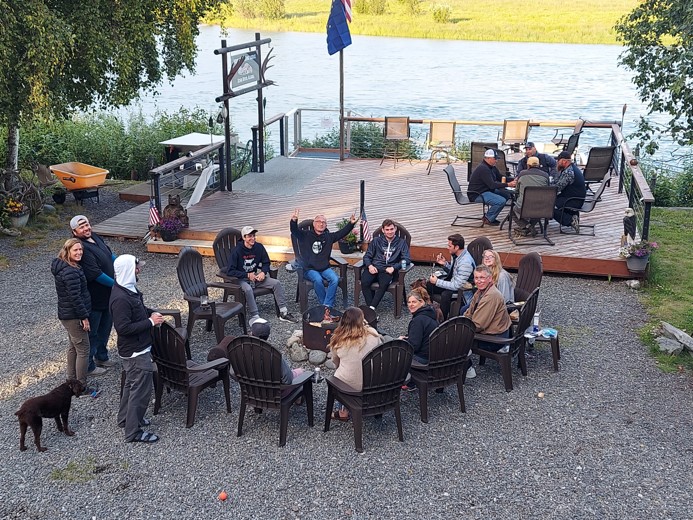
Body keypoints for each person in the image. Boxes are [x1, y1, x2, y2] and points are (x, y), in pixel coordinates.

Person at [110, 255, 165, 444]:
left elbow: (139, 308)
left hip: (137, 349)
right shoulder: (121, 299)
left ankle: (125, 419)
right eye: (136, 268)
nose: (139, 270)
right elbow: (123, 328)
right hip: (135, 352)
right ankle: (133, 432)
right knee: (140, 391)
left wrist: (150, 313)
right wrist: (150, 322)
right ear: (127, 270)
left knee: (131, 386)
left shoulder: (128, 288)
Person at [71, 215, 115, 376]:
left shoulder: (95, 237)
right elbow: (95, 274)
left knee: (106, 327)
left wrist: (123, 261)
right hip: (94, 298)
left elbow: (109, 254)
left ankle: (102, 357)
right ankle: (88, 365)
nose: (86, 229)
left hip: (108, 296)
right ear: (75, 232)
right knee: (93, 332)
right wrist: (117, 285)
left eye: (87, 225)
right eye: (81, 227)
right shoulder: (82, 247)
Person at [227, 225, 297, 325]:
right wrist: (246, 275)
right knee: (248, 289)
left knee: (276, 283)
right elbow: (230, 271)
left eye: (254, 235)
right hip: (240, 279)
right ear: (244, 238)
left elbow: (266, 262)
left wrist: (263, 272)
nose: (253, 238)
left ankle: (283, 312)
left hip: (255, 277)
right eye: (249, 236)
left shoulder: (259, 247)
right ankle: (255, 316)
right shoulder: (237, 251)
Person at [289, 208, 357, 307]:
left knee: (334, 279)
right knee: (317, 279)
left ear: (326, 225)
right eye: (318, 222)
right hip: (309, 269)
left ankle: (326, 306)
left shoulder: (328, 237)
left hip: (325, 268)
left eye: (323, 222)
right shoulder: (305, 235)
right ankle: (326, 306)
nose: (321, 224)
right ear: (314, 224)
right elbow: (294, 231)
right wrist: (294, 221)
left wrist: (351, 224)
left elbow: (341, 233)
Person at [51, 239, 92, 389]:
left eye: (80, 250)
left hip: (66, 315)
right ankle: (80, 386)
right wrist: (84, 317)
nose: (79, 252)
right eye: (75, 250)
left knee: (73, 347)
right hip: (74, 316)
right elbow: (75, 297)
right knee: (83, 349)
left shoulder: (64, 266)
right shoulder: (70, 272)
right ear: (67, 251)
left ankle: (71, 380)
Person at [330, 307, 383, 419]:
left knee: (339, 372)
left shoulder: (339, 341)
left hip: (349, 388)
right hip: (373, 383)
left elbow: (335, 362)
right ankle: (375, 406)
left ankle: (343, 412)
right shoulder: (374, 336)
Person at [360, 218, 410, 310]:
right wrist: (369, 266)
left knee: (384, 283)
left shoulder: (401, 243)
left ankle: (371, 308)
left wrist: (394, 268)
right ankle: (371, 308)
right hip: (374, 267)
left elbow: (406, 260)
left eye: (391, 229)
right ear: (383, 230)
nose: (390, 232)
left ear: (395, 229)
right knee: (364, 282)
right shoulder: (376, 241)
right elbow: (367, 256)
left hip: (388, 270)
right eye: (387, 229)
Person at [463, 265, 513, 354]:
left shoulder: (491, 296)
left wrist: (460, 329)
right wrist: (463, 320)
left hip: (495, 339)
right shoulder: (479, 292)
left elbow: (478, 325)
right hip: (491, 332)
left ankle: (468, 367)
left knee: (454, 342)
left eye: (482, 277)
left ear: (490, 279)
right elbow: (469, 312)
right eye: (476, 278)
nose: (479, 281)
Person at [426, 233, 475, 319]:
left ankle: (442, 320)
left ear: (456, 247)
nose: (447, 248)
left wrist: (437, 281)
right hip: (455, 281)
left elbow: (457, 286)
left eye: (449, 246)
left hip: (463, 290)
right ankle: (431, 312)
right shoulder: (457, 255)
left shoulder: (465, 263)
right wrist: (444, 264)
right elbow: (455, 272)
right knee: (429, 285)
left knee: (446, 294)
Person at [400, 288, 439, 391]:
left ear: (421, 302)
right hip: (434, 354)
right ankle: (411, 383)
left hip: (424, 358)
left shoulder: (417, 320)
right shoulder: (430, 314)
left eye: (414, 302)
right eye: (409, 302)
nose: (410, 305)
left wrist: (401, 342)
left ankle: (401, 382)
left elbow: (414, 346)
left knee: (395, 352)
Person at [468, 149, 516, 226]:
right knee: (501, 201)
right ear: (488, 158)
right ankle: (488, 218)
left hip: (487, 190)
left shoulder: (492, 167)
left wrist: (514, 179)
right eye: (495, 159)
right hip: (477, 194)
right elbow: (492, 185)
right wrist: (508, 184)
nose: (496, 160)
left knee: (506, 195)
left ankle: (490, 215)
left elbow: (500, 177)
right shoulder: (483, 169)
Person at [512, 156, 551, 235]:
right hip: (541, 208)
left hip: (523, 207)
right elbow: (547, 190)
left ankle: (528, 226)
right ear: (539, 165)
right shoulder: (545, 175)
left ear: (528, 165)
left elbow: (517, 191)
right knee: (538, 210)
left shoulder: (522, 174)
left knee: (512, 212)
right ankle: (531, 226)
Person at [553, 151, 587, 233]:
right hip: (577, 198)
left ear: (564, 161)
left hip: (573, 200)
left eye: (559, 161)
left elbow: (558, 188)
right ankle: (573, 216)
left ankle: (570, 221)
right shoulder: (572, 168)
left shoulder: (568, 172)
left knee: (549, 206)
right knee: (554, 201)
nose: (557, 163)